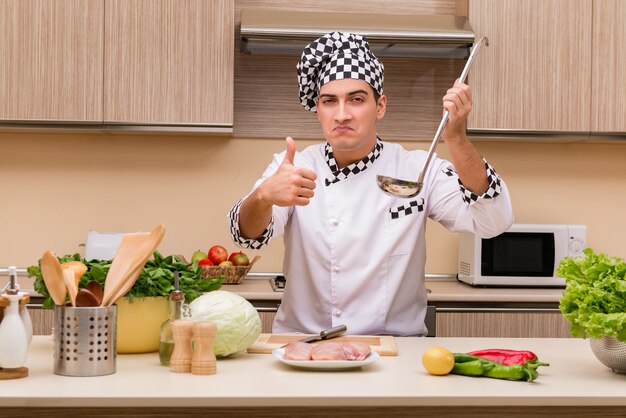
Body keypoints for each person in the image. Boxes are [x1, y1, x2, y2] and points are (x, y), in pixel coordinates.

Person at [228, 32, 513, 336]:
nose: (342, 114)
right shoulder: (296, 165)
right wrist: (263, 196)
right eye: (329, 101)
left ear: (380, 107)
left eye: (356, 99)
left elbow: (493, 222)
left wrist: (456, 137)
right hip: (306, 345)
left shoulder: (418, 169)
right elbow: (246, 237)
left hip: (396, 351)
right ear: (318, 110)